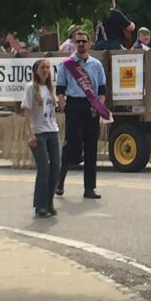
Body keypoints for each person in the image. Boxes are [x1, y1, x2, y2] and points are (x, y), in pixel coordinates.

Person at [55, 29, 108, 199]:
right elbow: (60, 90)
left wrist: (98, 105)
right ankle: (59, 182)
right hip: (74, 106)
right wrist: (64, 107)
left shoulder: (97, 65)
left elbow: (102, 90)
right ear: (74, 44)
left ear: (89, 44)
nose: (81, 44)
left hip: (91, 107)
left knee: (91, 147)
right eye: (78, 41)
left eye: (84, 41)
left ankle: (89, 188)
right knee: (72, 145)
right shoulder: (67, 64)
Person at [22, 59, 61, 217]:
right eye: (42, 67)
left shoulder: (51, 88)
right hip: (38, 132)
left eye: (47, 67)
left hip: (52, 130)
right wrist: (30, 133)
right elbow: (27, 112)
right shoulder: (31, 88)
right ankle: (40, 205)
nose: (45, 70)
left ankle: (49, 201)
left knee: (55, 168)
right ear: (36, 70)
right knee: (44, 168)